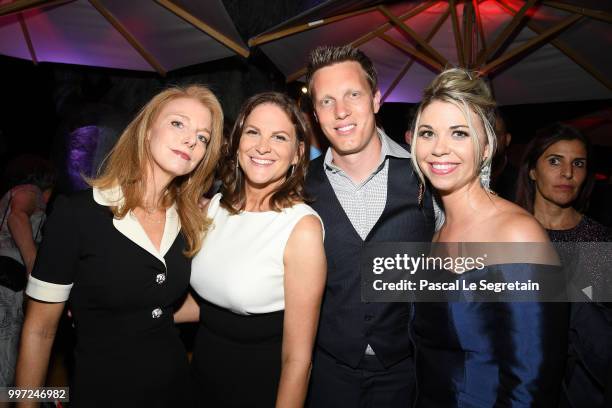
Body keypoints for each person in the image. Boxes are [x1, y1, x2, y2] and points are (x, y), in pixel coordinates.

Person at [15, 84, 223, 407]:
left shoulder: (189, 221)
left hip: (178, 389)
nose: (191, 140)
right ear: (147, 128)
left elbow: (163, 304)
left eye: (203, 137)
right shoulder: (77, 214)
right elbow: (39, 329)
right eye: (178, 123)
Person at [410, 68, 568, 407]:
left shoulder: (517, 234)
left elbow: (532, 385)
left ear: (486, 149)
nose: (439, 148)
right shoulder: (436, 234)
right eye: (428, 133)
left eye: (459, 133)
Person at [303, 45, 435, 407]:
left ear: (376, 100)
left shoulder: (428, 177)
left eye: (353, 95)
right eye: (326, 101)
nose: (341, 111)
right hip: (326, 375)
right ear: (315, 114)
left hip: (408, 375)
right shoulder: (297, 187)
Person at [181, 92, 326, 407]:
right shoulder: (216, 207)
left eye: (279, 137)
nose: (263, 146)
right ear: (237, 143)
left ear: (298, 153)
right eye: (253, 132)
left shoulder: (302, 229)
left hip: (259, 387)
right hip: (200, 377)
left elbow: (298, 360)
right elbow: (209, 301)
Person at [516, 122, 612, 408]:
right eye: (554, 160)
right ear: (532, 170)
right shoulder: (507, 232)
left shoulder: (596, 239)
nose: (567, 173)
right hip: (516, 376)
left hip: (577, 388)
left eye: (578, 163)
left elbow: (598, 330)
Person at [0, 156, 55, 391]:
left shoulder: (8, 193)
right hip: (6, 282)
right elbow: (17, 215)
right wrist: (35, 267)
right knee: (4, 371)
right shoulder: (30, 192)